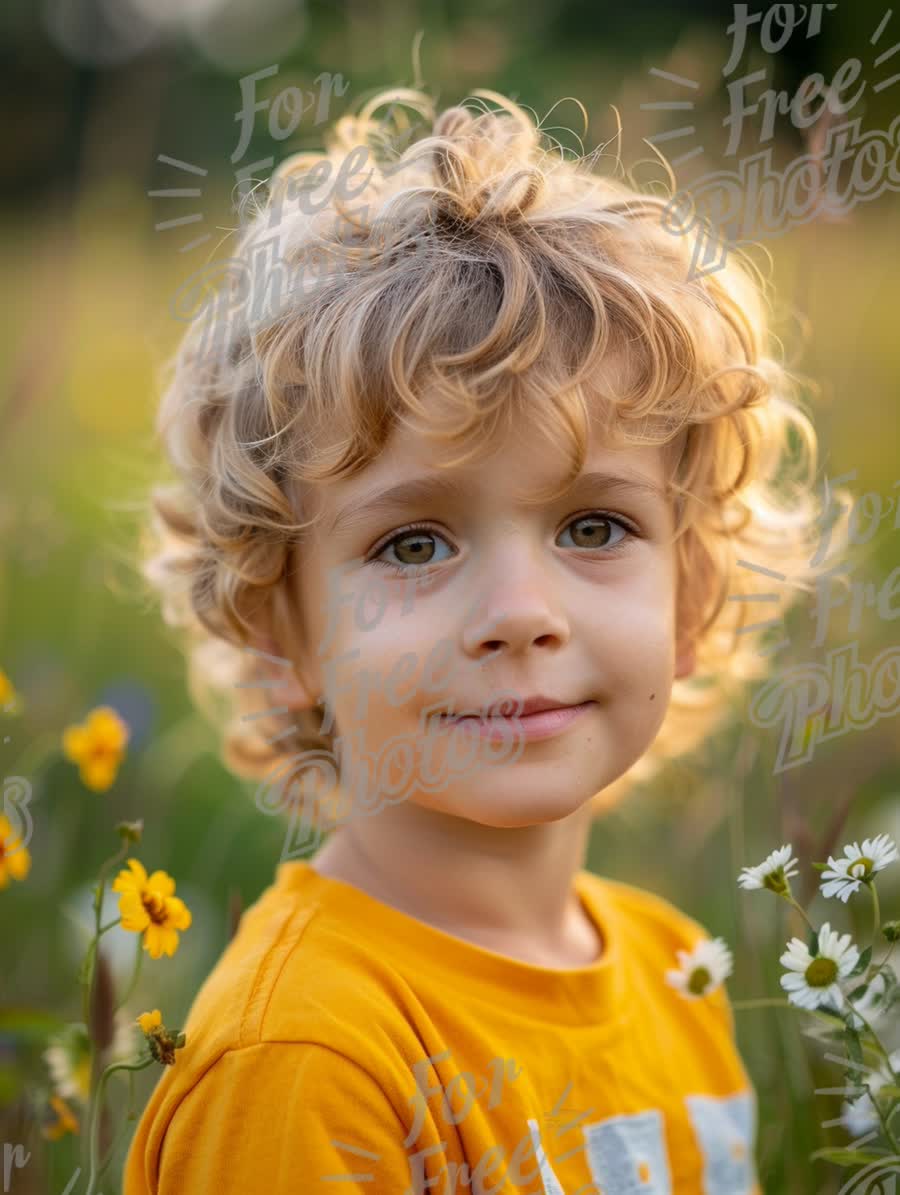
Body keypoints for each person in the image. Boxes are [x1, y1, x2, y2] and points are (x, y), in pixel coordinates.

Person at [124, 84, 824, 1194]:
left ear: (691, 600)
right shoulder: (310, 1058)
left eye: (595, 525)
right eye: (412, 544)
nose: (517, 612)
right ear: (279, 626)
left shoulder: (682, 970)